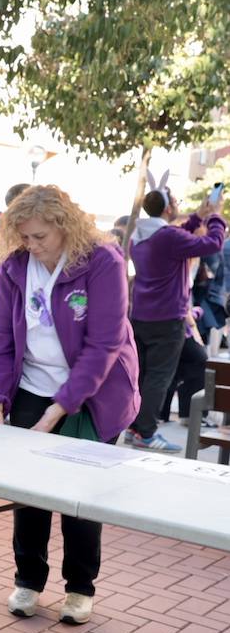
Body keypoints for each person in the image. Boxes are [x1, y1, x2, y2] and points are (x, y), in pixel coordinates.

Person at [0, 186, 140, 625]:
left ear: (65, 227)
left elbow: (105, 343)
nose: (32, 245)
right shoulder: (13, 268)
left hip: (94, 394)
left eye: (40, 237)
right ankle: (28, 579)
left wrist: (60, 408)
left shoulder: (103, 262)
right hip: (31, 387)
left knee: (80, 497)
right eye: (24, 237)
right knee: (29, 493)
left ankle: (80, 588)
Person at [128, 180, 226, 451]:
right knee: (159, 376)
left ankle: (134, 427)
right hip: (167, 318)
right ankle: (145, 432)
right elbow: (213, 243)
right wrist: (215, 215)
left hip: (141, 316)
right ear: (169, 207)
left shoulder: (140, 236)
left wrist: (199, 216)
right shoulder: (168, 238)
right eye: (176, 202)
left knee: (145, 374)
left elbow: (178, 234)